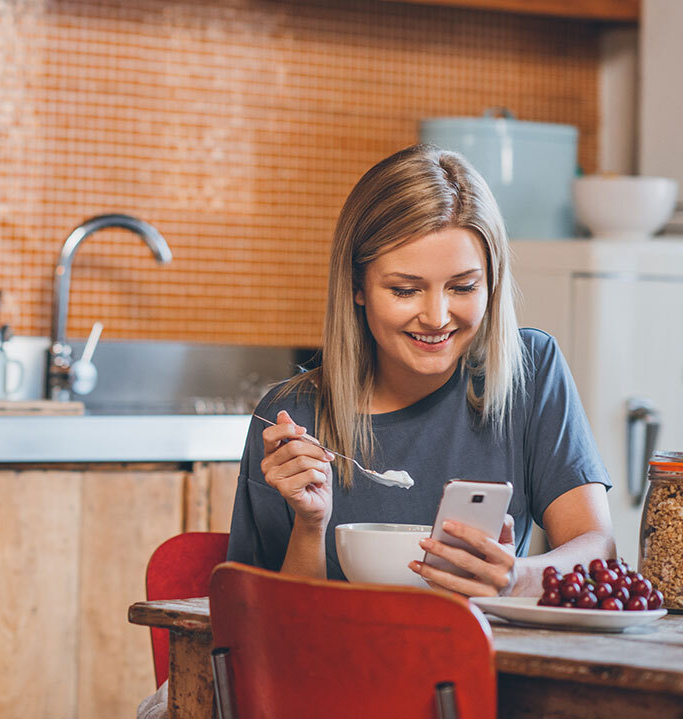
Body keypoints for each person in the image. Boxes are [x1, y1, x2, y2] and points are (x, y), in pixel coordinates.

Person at [227, 144, 615, 596]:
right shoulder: (291, 420)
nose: (436, 316)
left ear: (492, 281)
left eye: (463, 286)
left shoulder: (529, 372)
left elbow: (596, 546)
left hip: (485, 663)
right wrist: (310, 526)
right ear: (357, 287)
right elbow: (265, 628)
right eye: (406, 290)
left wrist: (518, 576)